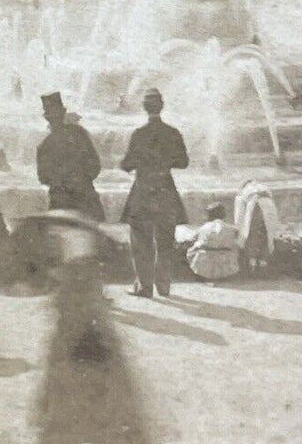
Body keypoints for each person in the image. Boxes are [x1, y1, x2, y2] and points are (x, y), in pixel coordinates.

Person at [34, 214, 150, 444]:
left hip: (77, 332)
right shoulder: (84, 254)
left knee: (69, 385)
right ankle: (118, 439)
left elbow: (74, 301)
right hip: (90, 331)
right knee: (102, 384)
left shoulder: (73, 259)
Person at [120, 88, 189, 298]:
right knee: (166, 240)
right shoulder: (173, 133)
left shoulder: (139, 134)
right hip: (166, 190)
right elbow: (183, 162)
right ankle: (164, 285)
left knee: (141, 240)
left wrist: (128, 163)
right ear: (162, 106)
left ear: (144, 108)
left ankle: (144, 286)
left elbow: (127, 164)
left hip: (143, 191)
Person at [36, 91, 105, 223]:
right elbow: (95, 166)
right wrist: (80, 180)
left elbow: (43, 178)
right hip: (86, 201)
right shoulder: (79, 134)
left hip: (60, 204)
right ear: (63, 113)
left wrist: (61, 182)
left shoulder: (44, 146)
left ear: (47, 118)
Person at [185, 202, 243, 282]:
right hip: (226, 261)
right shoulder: (232, 229)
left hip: (204, 263)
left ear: (209, 215)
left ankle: (196, 273)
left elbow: (191, 240)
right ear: (224, 215)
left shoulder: (203, 228)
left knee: (193, 248)